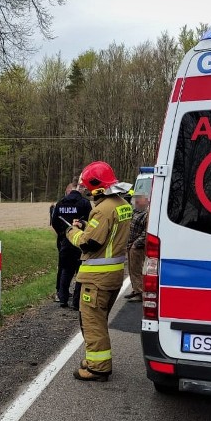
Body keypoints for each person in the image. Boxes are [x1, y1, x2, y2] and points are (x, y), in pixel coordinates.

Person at [65, 161, 133, 381]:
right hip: (113, 276)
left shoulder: (102, 210)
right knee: (98, 319)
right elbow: (108, 235)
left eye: (87, 187)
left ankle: (98, 367)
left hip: (97, 278)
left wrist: (72, 232)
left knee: (93, 321)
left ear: (97, 186)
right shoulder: (122, 204)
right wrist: (88, 225)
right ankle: (95, 359)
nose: (86, 192)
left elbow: (89, 244)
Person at [50, 182, 92, 309]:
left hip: (65, 242)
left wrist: (63, 235)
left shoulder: (61, 203)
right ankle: (76, 302)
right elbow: (91, 222)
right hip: (80, 243)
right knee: (80, 272)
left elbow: (54, 222)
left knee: (65, 271)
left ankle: (63, 299)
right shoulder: (84, 203)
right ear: (80, 189)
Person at [124, 193, 149, 302]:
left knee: (137, 269)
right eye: (136, 200)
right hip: (130, 244)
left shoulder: (147, 214)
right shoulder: (135, 211)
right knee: (131, 268)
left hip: (137, 246)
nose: (136, 202)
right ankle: (135, 289)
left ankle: (140, 292)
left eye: (139, 200)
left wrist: (136, 243)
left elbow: (146, 232)